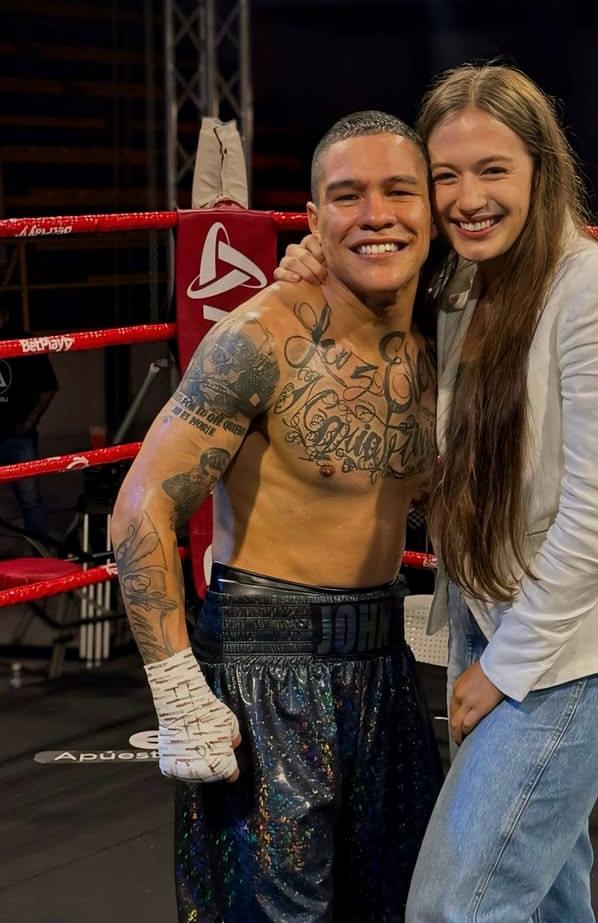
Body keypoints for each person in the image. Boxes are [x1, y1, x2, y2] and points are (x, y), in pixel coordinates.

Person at [278, 63, 598, 923]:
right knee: (547, 900)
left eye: (492, 169)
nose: (466, 197)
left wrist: (502, 670)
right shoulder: (464, 286)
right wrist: (314, 258)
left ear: (540, 166)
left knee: (461, 905)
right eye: (445, 175)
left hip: (568, 659)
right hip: (489, 619)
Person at [112, 111, 444, 923]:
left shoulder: (441, 343)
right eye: (348, 196)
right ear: (313, 219)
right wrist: (177, 688)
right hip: (267, 656)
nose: (376, 214)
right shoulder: (260, 335)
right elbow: (140, 508)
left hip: (386, 663)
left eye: (400, 190)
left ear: (431, 210)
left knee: (402, 906)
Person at [0, 299, 58, 541]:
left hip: (18, 435)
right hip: (16, 434)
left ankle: (41, 558)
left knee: (30, 499)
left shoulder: (25, 342)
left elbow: (49, 387)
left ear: (4, 315)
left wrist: (29, 422)